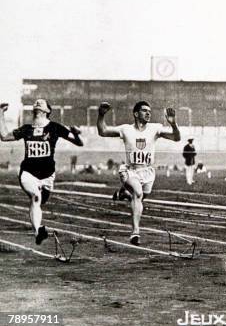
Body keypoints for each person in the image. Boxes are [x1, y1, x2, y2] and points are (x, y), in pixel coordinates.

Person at [97, 101, 180, 245]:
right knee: (138, 193)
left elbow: (176, 137)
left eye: (149, 111)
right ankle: (135, 232)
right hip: (130, 170)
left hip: (147, 171)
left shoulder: (155, 128)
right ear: (136, 114)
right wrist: (101, 115)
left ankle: (124, 193)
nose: (148, 113)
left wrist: (173, 123)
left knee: (139, 198)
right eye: (144, 111)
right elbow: (103, 131)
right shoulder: (125, 129)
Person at [0, 100, 83, 244]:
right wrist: (0, 113)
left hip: (47, 176)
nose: (37, 103)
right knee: (36, 197)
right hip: (28, 173)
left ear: (47, 111)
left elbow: (79, 143)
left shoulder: (55, 128)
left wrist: (76, 134)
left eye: (41, 103)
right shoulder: (27, 129)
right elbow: (4, 136)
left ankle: (38, 225)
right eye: (35, 103)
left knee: (41, 200)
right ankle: (38, 231)